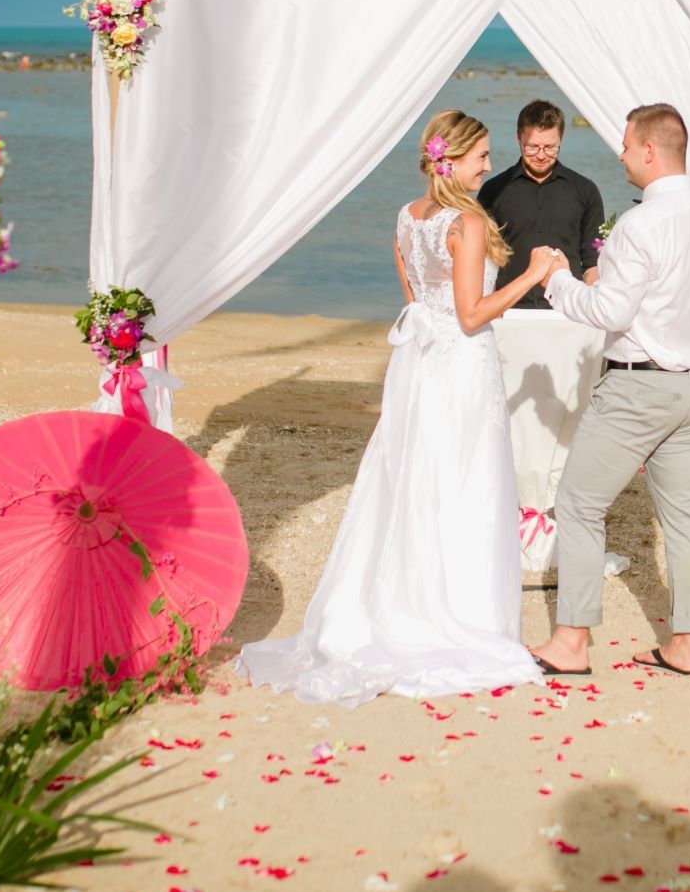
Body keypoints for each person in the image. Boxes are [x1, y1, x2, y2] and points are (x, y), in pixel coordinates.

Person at [236, 109, 553, 707]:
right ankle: (458, 615)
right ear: (451, 161)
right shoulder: (466, 222)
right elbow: (471, 315)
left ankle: (399, 599)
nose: (489, 166)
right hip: (463, 366)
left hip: (420, 365)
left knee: (412, 477)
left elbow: (415, 299)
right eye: (481, 157)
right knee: (465, 480)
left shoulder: (408, 216)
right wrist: (532, 274)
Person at [525, 104, 690, 679]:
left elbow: (610, 311)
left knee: (578, 503)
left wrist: (557, 280)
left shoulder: (641, 225)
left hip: (639, 388)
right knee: (685, 516)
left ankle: (571, 642)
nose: (618, 155)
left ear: (648, 150)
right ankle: (686, 645)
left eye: (624, 145)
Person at [479, 99, 604, 309]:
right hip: (509, 310)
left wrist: (592, 309)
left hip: (568, 311)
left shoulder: (585, 190)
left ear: (561, 138)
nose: (541, 155)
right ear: (518, 138)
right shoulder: (493, 191)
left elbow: (592, 263)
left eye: (550, 147)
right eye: (532, 147)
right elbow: (482, 258)